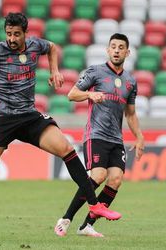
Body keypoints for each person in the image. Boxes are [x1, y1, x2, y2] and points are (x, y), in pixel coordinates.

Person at [0, 12, 122, 236]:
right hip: (2, 119)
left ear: (25, 33)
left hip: (28, 116)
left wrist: (54, 70)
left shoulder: (35, 45)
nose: (12, 39)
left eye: (16, 34)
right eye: (9, 34)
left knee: (67, 149)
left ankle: (94, 205)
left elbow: (52, 47)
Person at [54, 33, 145, 237]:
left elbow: (130, 113)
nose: (116, 50)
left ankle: (86, 225)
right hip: (95, 135)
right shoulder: (95, 72)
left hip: (116, 138)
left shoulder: (130, 81)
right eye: (113, 46)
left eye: (121, 47)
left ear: (127, 52)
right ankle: (66, 218)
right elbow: (71, 94)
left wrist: (139, 136)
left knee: (115, 180)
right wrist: (90, 94)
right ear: (107, 50)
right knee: (98, 175)